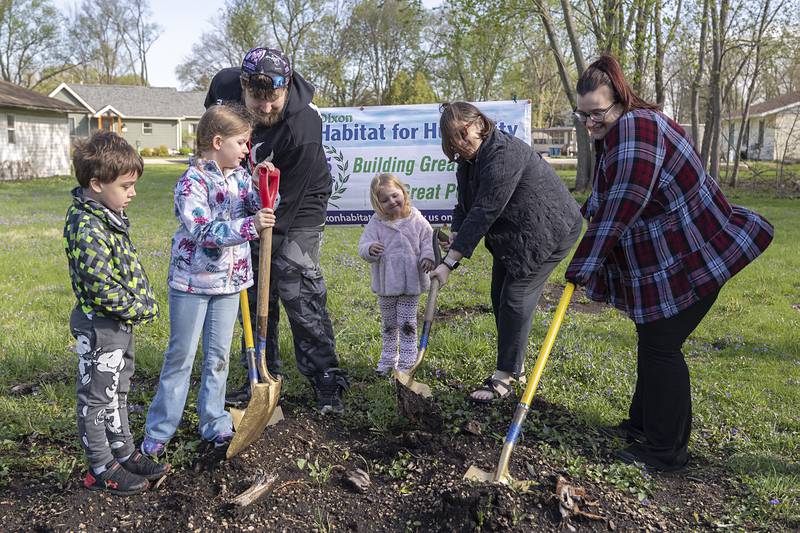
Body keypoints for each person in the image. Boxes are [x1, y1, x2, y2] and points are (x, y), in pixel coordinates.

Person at [565, 54, 774, 471]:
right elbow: (609, 194)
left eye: (597, 113)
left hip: (695, 261)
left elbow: (626, 200)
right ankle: (643, 427)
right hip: (672, 264)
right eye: (583, 115)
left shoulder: (637, 127)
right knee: (654, 341)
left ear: (621, 100)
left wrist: (581, 266)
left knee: (662, 346)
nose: (591, 123)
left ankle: (666, 450)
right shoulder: (618, 132)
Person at [205, 47, 348, 414]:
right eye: (257, 99)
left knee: (294, 278)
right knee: (250, 289)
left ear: (287, 88)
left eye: (274, 100)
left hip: (300, 200)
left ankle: (325, 375)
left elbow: (285, 210)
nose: (266, 108)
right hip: (247, 191)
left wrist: (261, 238)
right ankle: (259, 371)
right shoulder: (223, 86)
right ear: (243, 86)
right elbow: (210, 141)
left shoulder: (303, 128)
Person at [140, 105, 276, 457]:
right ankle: (160, 429)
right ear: (218, 142)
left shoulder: (241, 176)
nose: (248, 150)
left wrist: (265, 182)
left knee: (219, 356)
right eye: (242, 143)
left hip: (230, 283)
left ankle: (214, 422)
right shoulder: (192, 183)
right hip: (193, 283)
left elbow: (260, 206)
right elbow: (202, 230)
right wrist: (250, 227)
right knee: (181, 356)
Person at [430, 102, 583, 403]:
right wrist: (457, 232)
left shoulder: (503, 154)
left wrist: (449, 263)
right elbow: (465, 206)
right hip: (515, 232)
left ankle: (506, 375)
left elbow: (486, 210)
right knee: (499, 295)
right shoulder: (469, 162)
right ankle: (517, 366)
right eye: (453, 139)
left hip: (550, 228)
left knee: (514, 298)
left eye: (463, 133)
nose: (461, 143)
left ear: (480, 124)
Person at [64, 131, 169, 496]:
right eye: (125, 185)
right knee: (96, 397)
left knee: (118, 391)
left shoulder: (108, 215)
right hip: (100, 327)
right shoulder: (86, 224)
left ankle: (122, 451)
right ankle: (100, 466)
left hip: (119, 325)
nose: (133, 193)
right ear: (95, 184)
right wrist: (141, 307)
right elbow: (100, 286)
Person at [358, 173, 435, 375]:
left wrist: (428, 257)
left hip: (411, 284)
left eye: (394, 195)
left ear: (403, 192)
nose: (392, 201)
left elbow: (429, 240)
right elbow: (363, 246)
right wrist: (369, 249)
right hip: (386, 285)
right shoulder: (376, 223)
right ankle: (388, 359)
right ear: (378, 204)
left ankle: (408, 362)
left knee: (408, 323)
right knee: (389, 325)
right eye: (385, 200)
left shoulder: (416, 219)